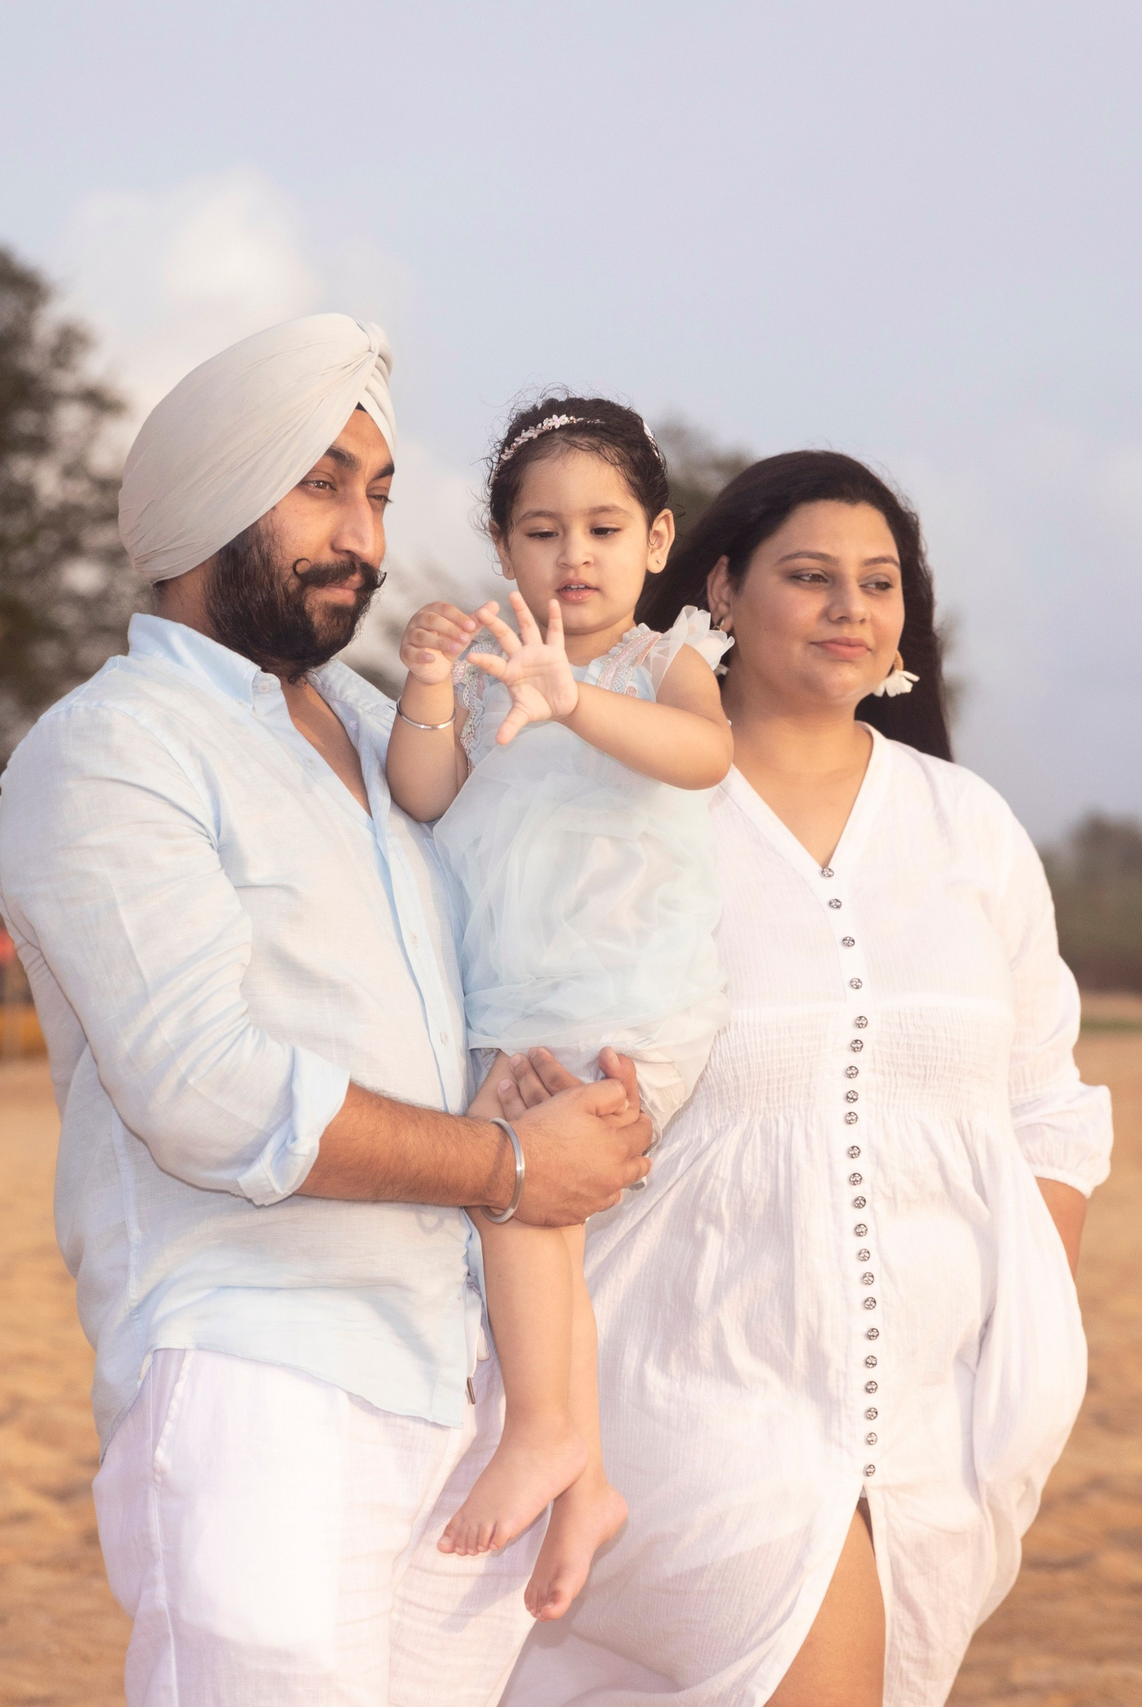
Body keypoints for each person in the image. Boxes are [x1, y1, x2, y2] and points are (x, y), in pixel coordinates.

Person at [0, 315, 657, 1707]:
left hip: (454, 1375)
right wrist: (516, 1169)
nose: (364, 533)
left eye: (382, 492)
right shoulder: (108, 748)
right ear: (210, 498)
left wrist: (537, 1095)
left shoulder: (372, 724)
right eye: (322, 484)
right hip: (257, 1367)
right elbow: (208, 1088)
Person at [501, 451, 1114, 1707]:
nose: (850, 608)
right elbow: (527, 1059)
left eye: (878, 583)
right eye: (810, 576)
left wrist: (1008, 1310)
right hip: (686, 1371)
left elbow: (1046, 1103)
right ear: (718, 589)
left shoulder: (967, 827)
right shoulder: (626, 807)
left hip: (940, 1407)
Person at [385, 397, 732, 1623]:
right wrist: (431, 681)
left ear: (655, 540)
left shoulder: (659, 662)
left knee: (524, 1196)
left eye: (601, 528)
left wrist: (573, 696)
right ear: (502, 550)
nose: (571, 556)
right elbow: (422, 792)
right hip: (518, 1000)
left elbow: (702, 758)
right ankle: (582, 1476)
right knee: (550, 1227)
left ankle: (539, 1431)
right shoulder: (489, 667)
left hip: (631, 1002)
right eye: (540, 532)